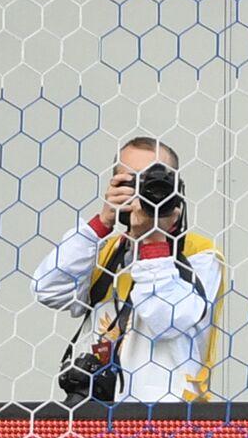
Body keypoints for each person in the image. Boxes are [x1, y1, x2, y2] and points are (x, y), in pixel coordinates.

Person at [32, 137, 226, 403]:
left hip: (171, 418)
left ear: (177, 189)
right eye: (131, 182)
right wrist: (102, 222)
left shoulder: (200, 254)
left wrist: (153, 240)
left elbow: (167, 321)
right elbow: (47, 289)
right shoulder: (107, 250)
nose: (143, 192)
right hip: (101, 416)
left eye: (155, 181)